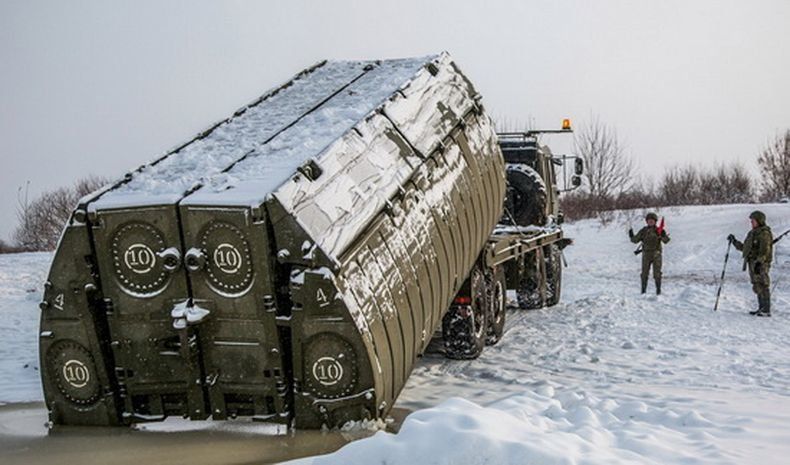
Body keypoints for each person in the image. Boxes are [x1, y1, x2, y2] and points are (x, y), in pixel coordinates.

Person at [728, 210, 773, 317]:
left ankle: (766, 309)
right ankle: (761, 308)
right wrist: (734, 241)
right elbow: (746, 249)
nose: (751, 222)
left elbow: (765, 251)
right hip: (752, 263)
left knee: (763, 284)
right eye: (751, 220)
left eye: (753, 220)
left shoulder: (764, 233)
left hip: (760, 264)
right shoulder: (753, 233)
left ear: (759, 221)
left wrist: (759, 262)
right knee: (757, 285)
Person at [629, 212, 670, 294]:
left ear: (655, 221)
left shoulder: (659, 230)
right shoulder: (643, 231)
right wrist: (631, 235)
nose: (651, 222)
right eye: (649, 220)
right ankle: (643, 291)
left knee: (657, 274)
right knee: (644, 274)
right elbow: (635, 240)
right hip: (646, 255)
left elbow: (666, 241)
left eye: (652, 220)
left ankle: (658, 291)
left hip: (656, 255)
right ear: (647, 221)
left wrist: (663, 235)